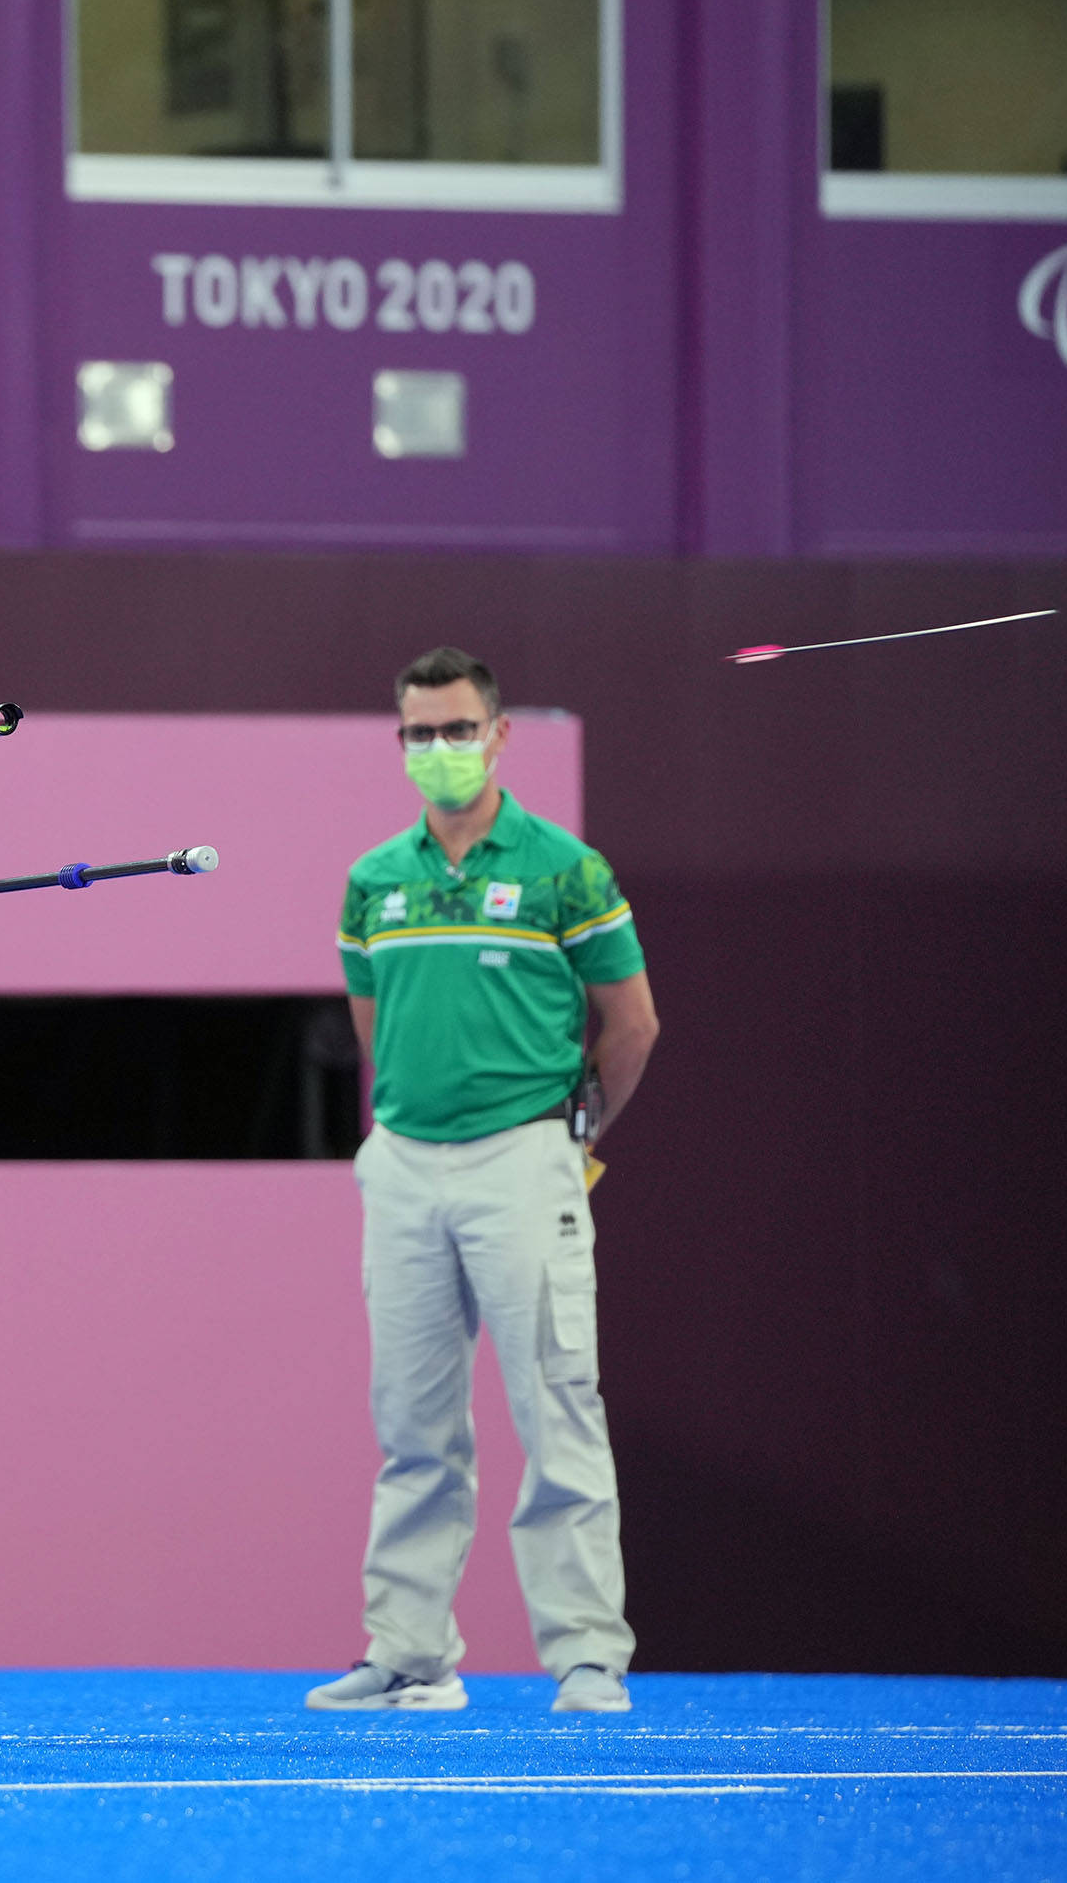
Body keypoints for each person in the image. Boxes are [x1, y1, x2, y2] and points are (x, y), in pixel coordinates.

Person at [308, 647, 660, 1716]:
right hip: (406, 1161)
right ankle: (408, 1650)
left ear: (499, 735)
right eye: (419, 733)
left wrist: (571, 1134)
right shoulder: (375, 878)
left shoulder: (566, 869)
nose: (439, 749)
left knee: (555, 1404)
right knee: (411, 1424)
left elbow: (631, 1023)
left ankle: (586, 1655)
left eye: (457, 729)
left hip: (523, 1153)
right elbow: (374, 1026)